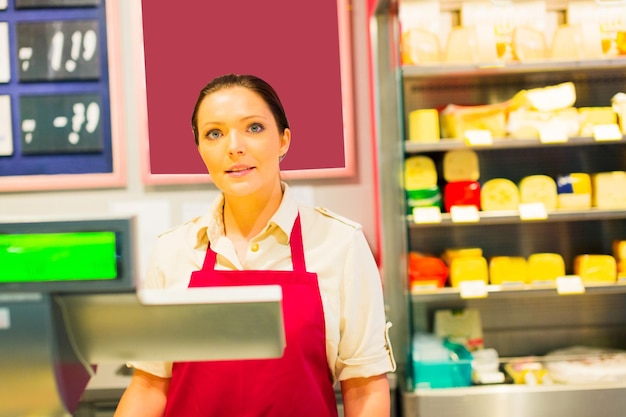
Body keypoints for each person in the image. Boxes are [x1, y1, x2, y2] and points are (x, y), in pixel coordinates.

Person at [114, 73, 396, 417]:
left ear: (283, 140)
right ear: (201, 150)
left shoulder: (340, 244)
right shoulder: (173, 251)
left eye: (254, 128)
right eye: (214, 133)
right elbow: (149, 387)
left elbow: (365, 388)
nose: (234, 146)